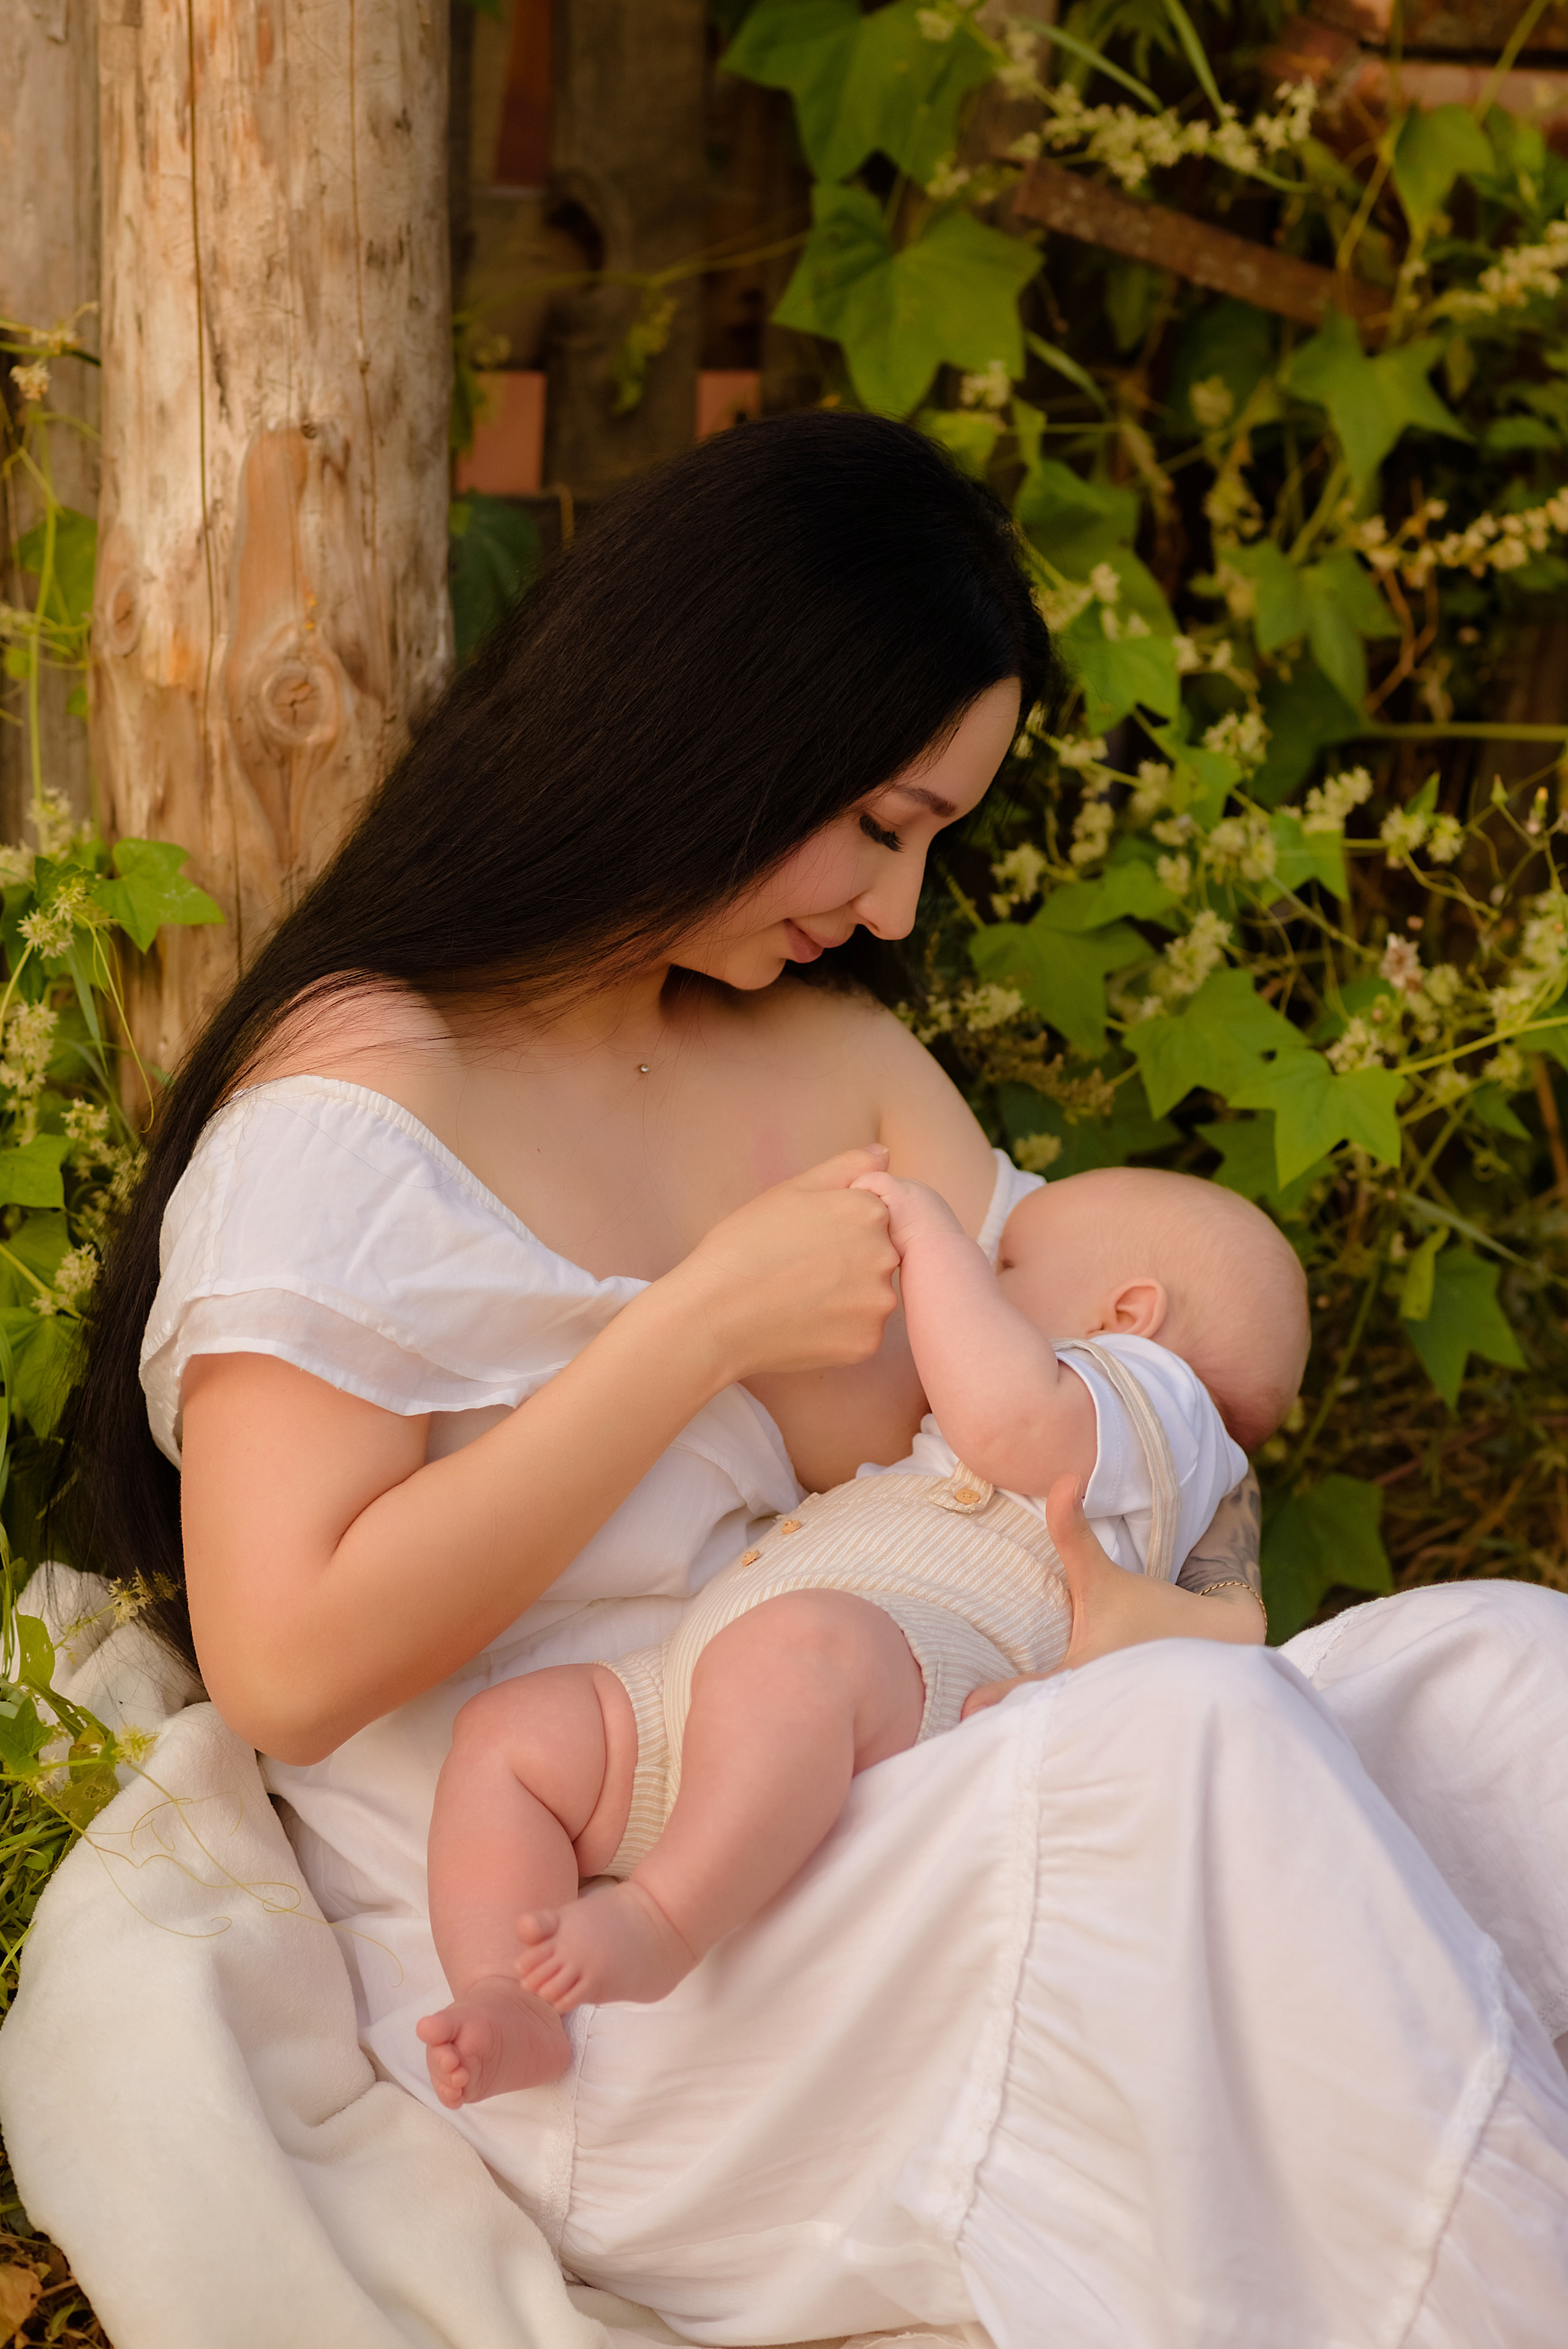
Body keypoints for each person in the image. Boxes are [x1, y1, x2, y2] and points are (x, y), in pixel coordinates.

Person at [71, 412, 1568, 2346]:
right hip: (600, 1945)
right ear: (716, 731)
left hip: (900, 1775)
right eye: (880, 825)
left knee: (1500, 1678)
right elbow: (281, 1658)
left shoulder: (824, 1055)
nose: (895, 912)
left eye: (932, 841)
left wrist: (1185, 1599)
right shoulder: (367, 1095)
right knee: (1193, 1758)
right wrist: (688, 1329)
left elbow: (1111, 1398)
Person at [416, 1166, 1305, 2106]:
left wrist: (935, 1242)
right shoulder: (1121, 1417)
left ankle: (661, 1921)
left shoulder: (1159, 1409)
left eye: (1006, 1260)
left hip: (903, 1675)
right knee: (510, 1736)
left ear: (1130, 1312)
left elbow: (1010, 1415)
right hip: (731, 1693)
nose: (983, 1274)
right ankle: (509, 1994)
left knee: (797, 1650)